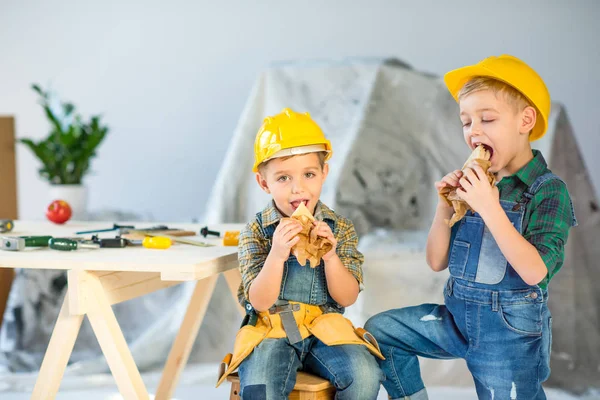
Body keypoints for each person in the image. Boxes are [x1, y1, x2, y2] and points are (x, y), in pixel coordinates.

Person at [365, 55, 577, 399]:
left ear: (525, 120)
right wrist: (444, 207)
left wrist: (489, 207)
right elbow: (436, 261)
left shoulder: (548, 190)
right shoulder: (474, 183)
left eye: (487, 119)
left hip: (508, 336)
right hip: (456, 321)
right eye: (466, 122)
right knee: (381, 333)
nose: (473, 131)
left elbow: (536, 271)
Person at [216, 108, 384, 399]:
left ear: (324, 173)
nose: (298, 188)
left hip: (324, 327)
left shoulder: (339, 228)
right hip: (271, 330)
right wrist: (277, 254)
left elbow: (347, 297)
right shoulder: (254, 232)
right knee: (259, 388)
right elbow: (258, 301)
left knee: (366, 374)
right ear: (263, 182)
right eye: (283, 178)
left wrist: (331, 257)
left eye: (309, 174)